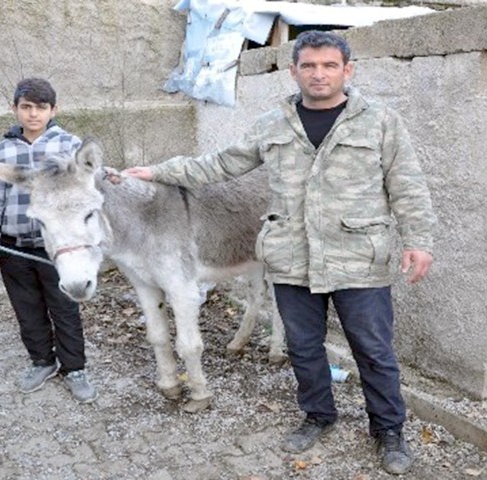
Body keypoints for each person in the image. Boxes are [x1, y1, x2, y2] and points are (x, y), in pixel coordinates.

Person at [122, 31, 436, 475]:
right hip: (292, 258)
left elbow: (407, 185)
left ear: (347, 70)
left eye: (329, 65)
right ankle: (318, 415)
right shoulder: (274, 123)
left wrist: (419, 240)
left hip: (358, 258)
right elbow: (220, 164)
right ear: (294, 72)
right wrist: (158, 172)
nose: (319, 74)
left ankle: (388, 430)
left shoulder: (381, 122)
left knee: (373, 350)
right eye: (309, 66)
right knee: (303, 347)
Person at [0, 77, 98, 403]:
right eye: (26, 107)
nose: (33, 114)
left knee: (64, 307)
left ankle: (74, 369)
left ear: (53, 110)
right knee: (27, 309)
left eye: (41, 108)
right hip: (14, 246)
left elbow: (86, 189)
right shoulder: (2, 150)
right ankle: (42, 361)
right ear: (14, 109)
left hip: (58, 249)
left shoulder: (70, 145)